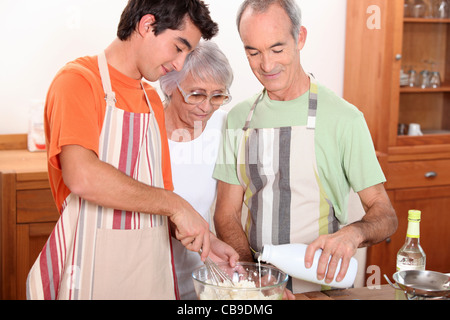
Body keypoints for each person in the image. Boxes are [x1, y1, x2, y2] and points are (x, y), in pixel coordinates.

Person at [26, 0, 233, 300]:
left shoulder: (151, 102)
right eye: (178, 47)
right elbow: (81, 175)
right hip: (90, 275)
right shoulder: (78, 81)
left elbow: (159, 209)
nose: (179, 64)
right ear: (147, 25)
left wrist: (206, 240)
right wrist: (177, 205)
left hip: (149, 279)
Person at [213, 0, 398, 295]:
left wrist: (354, 233)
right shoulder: (238, 119)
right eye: (253, 52)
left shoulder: (344, 118)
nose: (267, 65)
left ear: (300, 38)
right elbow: (226, 214)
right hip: (260, 289)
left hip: (324, 287)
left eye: (277, 49)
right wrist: (256, 280)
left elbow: (385, 214)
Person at [160, 40, 237, 300]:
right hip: (147, 275)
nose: (207, 107)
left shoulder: (223, 125)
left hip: (201, 276)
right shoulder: (145, 128)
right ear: (170, 86)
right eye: (196, 94)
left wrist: (213, 244)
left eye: (217, 95)